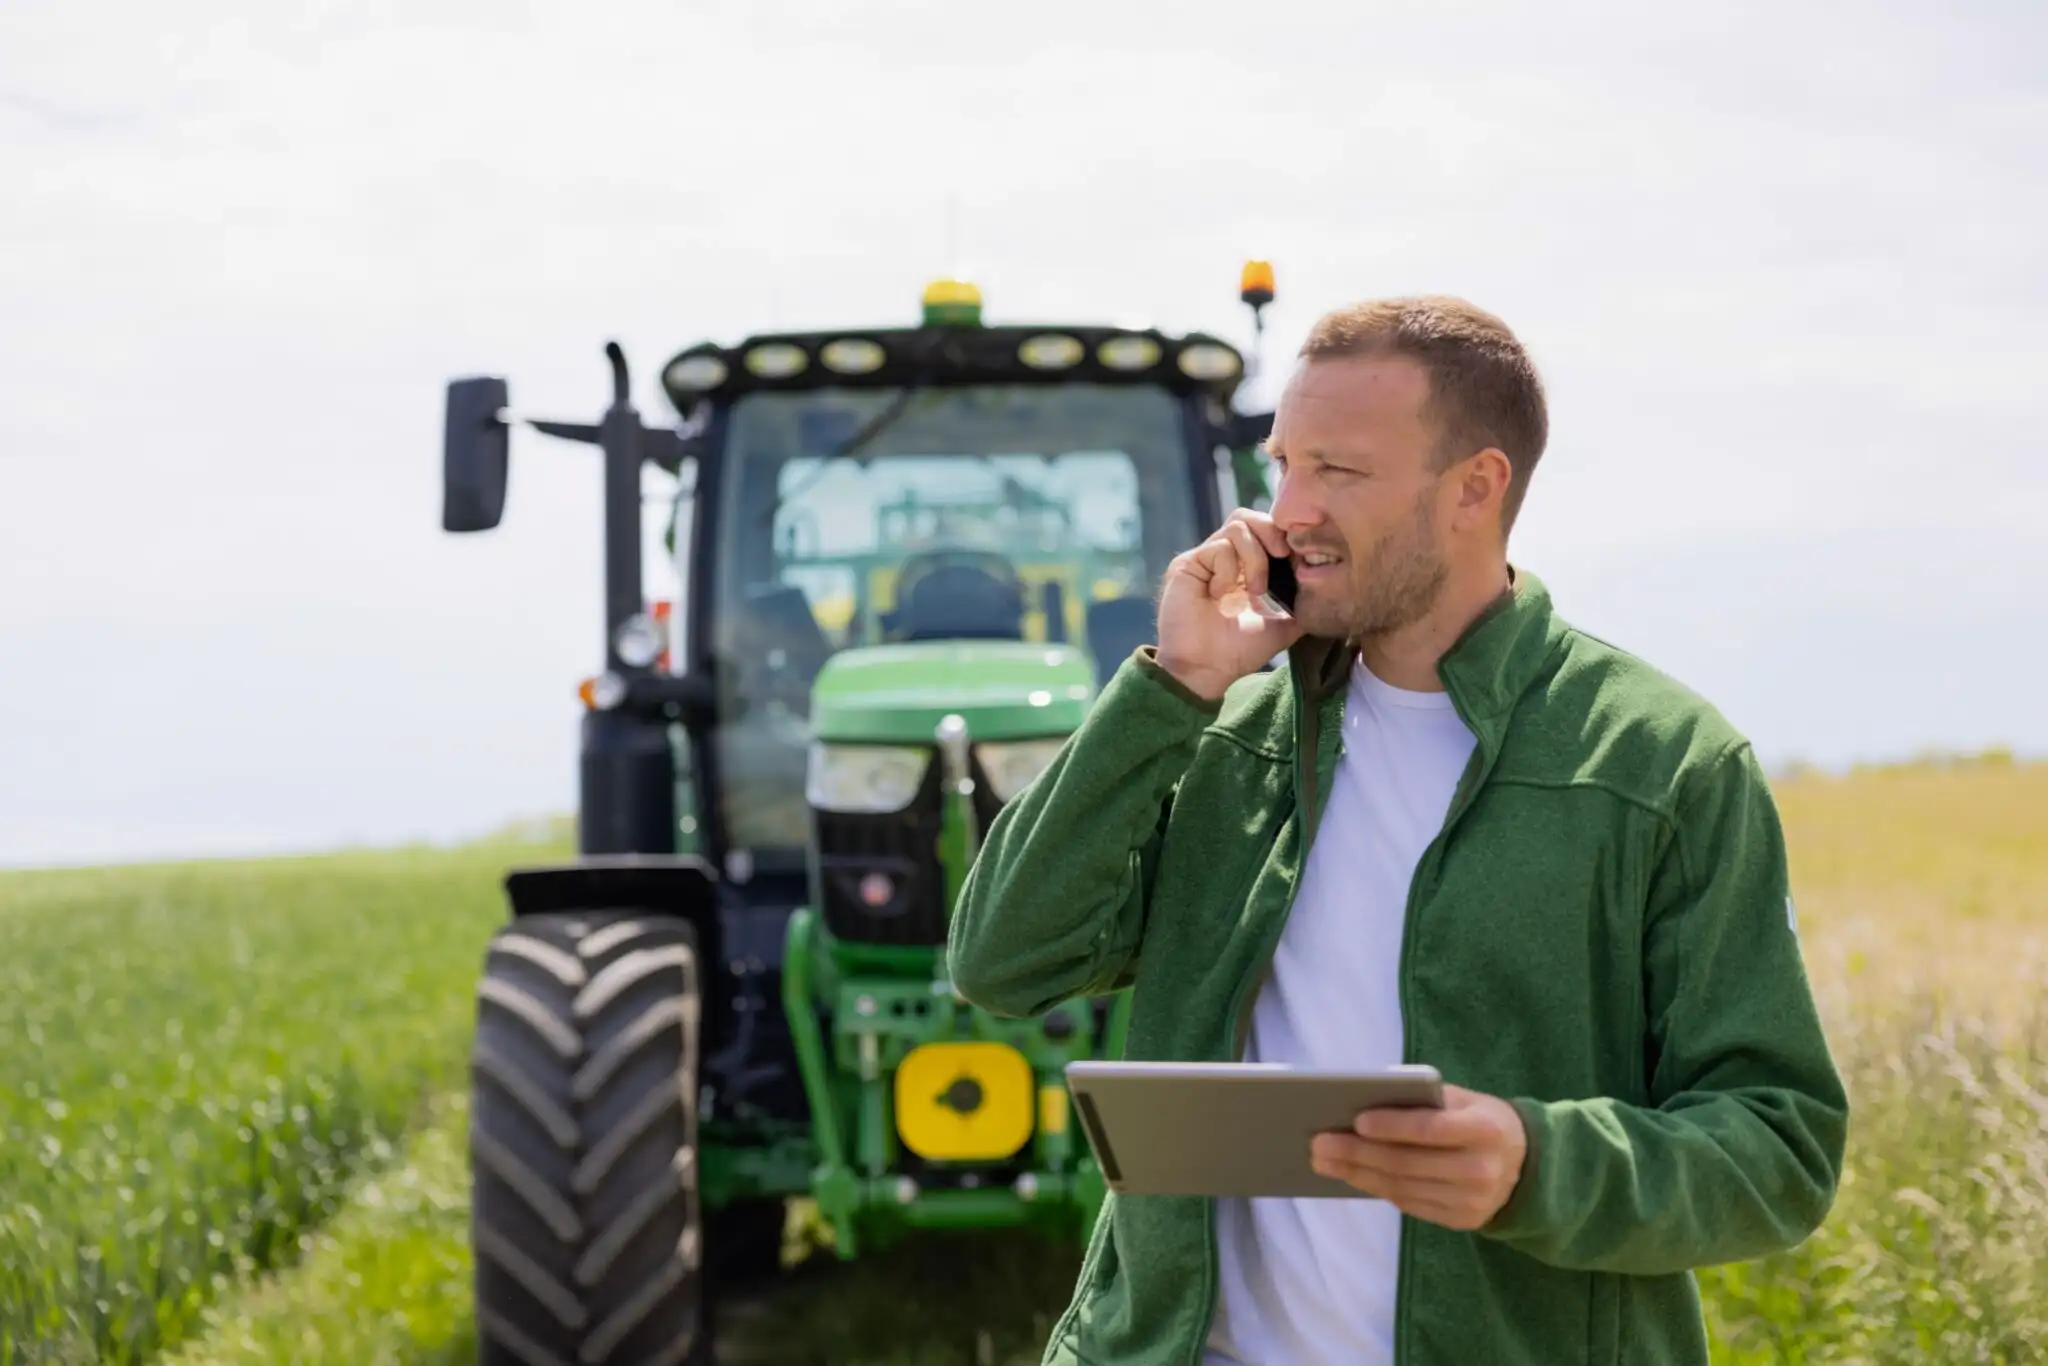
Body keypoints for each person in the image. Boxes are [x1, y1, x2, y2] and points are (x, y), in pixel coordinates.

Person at [946, 296, 1849, 1366]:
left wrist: (1536, 1163)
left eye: (1339, 471)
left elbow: (1777, 1149)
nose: (1286, 511)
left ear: (1474, 488)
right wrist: (1174, 684)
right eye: (1281, 464)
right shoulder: (1223, 733)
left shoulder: (1659, 766)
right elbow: (1001, 959)